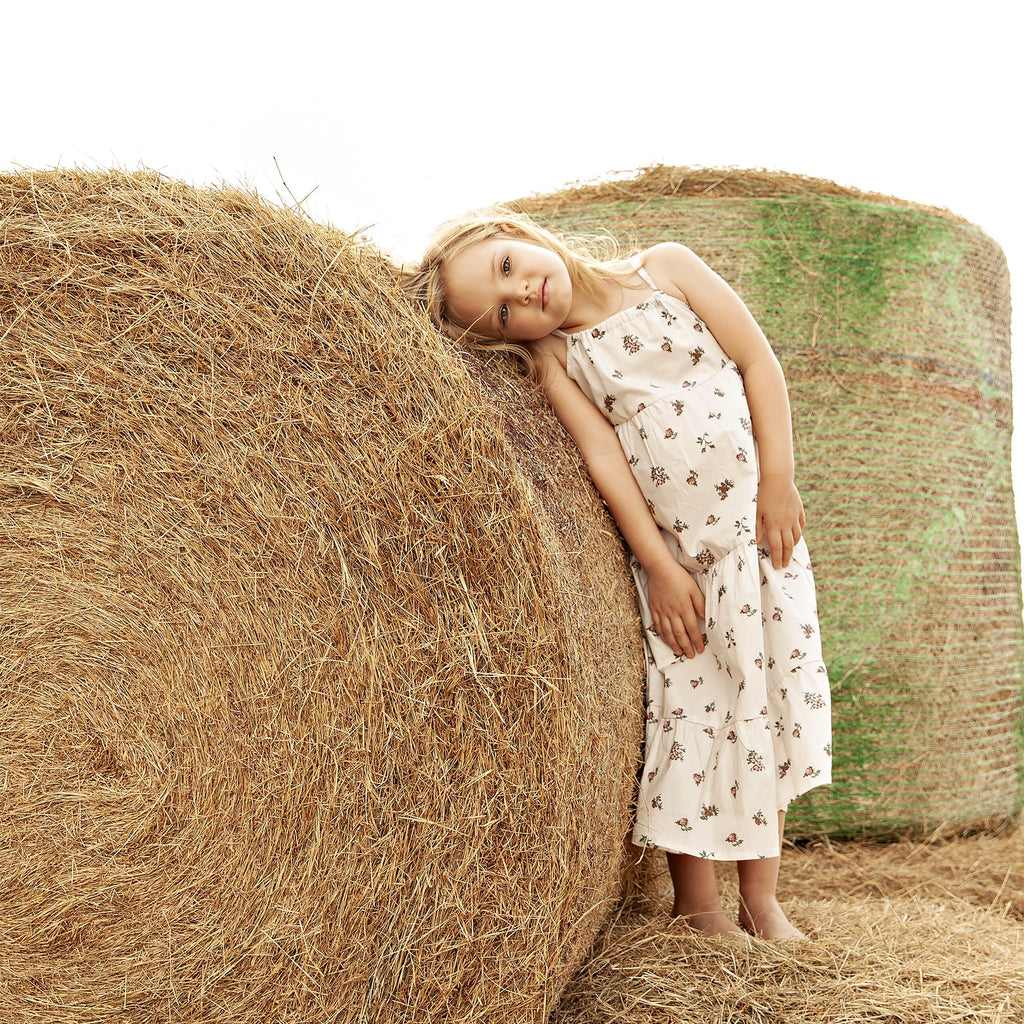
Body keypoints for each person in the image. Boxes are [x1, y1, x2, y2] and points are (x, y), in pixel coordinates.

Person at [402, 208, 832, 941]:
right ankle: (697, 907)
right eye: (503, 315)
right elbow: (605, 462)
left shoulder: (667, 268)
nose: (524, 295)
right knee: (693, 711)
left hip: (759, 545)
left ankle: (764, 901)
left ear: (520, 233)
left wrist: (780, 481)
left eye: (508, 267)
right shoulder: (561, 359)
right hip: (687, 566)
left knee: (768, 703)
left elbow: (758, 361)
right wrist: (660, 567)